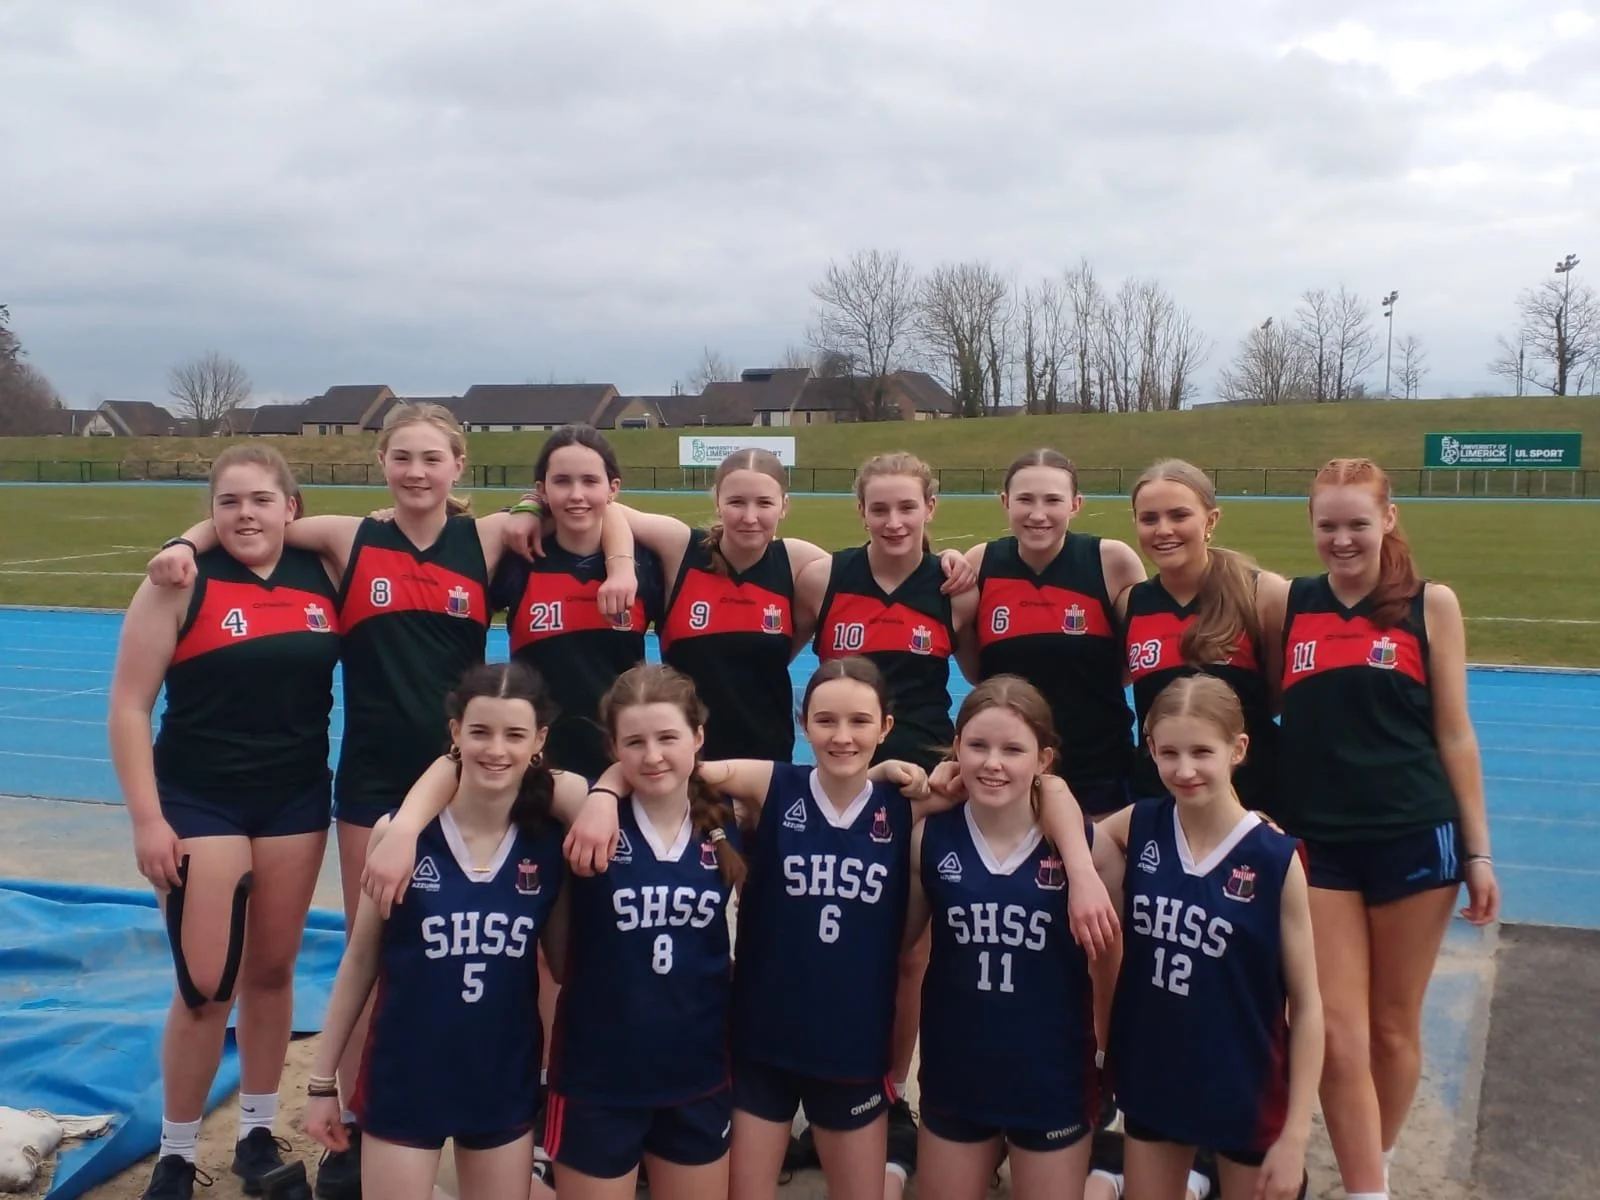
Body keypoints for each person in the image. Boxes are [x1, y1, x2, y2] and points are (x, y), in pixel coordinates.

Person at [145, 405, 629, 1197]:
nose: (416, 472)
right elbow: (246, 520)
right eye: (401, 457)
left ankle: (531, 1109)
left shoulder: (490, 539)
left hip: (476, 780)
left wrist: (567, 529)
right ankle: (359, 1126)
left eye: (432, 458)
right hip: (373, 784)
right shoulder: (347, 538)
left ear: (458, 465)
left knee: (509, 948)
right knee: (377, 947)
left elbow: (599, 508)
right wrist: (181, 541)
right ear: (381, 462)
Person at [108, 445, 341, 1200]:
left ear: (291, 508)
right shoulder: (179, 581)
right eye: (228, 502)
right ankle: (176, 1154)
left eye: (261, 500)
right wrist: (147, 820)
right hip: (199, 800)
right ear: (210, 513)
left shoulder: (323, 571)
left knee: (272, 971)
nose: (246, 515)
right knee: (206, 986)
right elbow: (129, 705)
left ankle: (256, 1135)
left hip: (294, 798)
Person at [1277, 458, 1501, 1200]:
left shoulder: (1432, 605)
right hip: (1319, 842)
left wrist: (1478, 852)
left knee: (1391, 1028)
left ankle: (1379, 1159)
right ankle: (1368, 1189)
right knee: (1336, 1032)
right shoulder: (1290, 603)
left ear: (1388, 520)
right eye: (1328, 525)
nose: (1342, 539)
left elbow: (1456, 733)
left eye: (1358, 524)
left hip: (1414, 835)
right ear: (1311, 525)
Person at [303, 662, 580, 1200]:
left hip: (501, 1075)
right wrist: (320, 1084)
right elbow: (359, 962)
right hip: (407, 1074)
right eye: (480, 731)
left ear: (539, 741)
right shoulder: (401, 834)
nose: (495, 749)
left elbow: (567, 963)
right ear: (455, 733)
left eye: (514, 734)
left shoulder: (548, 843)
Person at [793, 451, 982, 1178]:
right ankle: (817, 1086)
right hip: (840, 781)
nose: (894, 521)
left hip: (922, 786)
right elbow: (766, 653)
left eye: (908, 507)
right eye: (880, 508)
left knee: (908, 954)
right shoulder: (825, 578)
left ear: (931, 508)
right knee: (824, 942)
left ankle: (889, 1094)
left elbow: (984, 677)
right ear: (860, 511)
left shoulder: (954, 589)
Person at [1095, 676, 1322, 1200]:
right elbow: (1062, 827)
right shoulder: (1140, 824)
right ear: (1150, 749)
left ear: (1237, 749)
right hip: (1155, 1069)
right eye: (1169, 753)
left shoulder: (1274, 857)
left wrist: (1296, 1135)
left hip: (1244, 1081)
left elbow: (1309, 1006)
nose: (1185, 769)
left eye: (1202, 752)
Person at [533, 665, 743, 1199]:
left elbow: (831, 779)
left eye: (668, 737)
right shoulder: (580, 805)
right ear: (612, 748)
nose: (652, 756)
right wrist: (604, 792)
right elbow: (484, 766)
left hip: (697, 1074)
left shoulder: (730, 816)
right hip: (598, 1079)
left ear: (698, 736)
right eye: (634, 742)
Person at [906, 676, 1100, 1200]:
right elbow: (895, 947)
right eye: (978, 746)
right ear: (956, 748)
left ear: (1043, 759)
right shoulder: (929, 838)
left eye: (1013, 750)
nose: (993, 763)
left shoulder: (1085, 844)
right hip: (957, 1070)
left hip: (1051, 1075)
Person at [959, 449, 1145, 818]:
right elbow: (976, 669)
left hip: (1098, 768)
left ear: (1076, 505)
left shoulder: (1112, 561)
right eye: (1025, 499)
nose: (1038, 514)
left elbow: (1131, 663)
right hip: (1006, 772)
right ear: (1005, 502)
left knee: (1094, 854)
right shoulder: (980, 563)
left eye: (1053, 500)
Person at [1118, 459, 1287, 815]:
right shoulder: (1130, 602)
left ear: (1210, 520)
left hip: (1251, 802)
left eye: (1179, 515)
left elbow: (1275, 699)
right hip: (1161, 801)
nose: (1163, 530)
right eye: (1149, 519)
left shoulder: (1262, 594)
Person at [497, 425, 663, 780]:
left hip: (624, 766)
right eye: (562, 481)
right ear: (542, 489)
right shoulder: (516, 560)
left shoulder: (648, 566)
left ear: (613, 488)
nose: (576, 495)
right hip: (538, 766)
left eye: (590, 481)